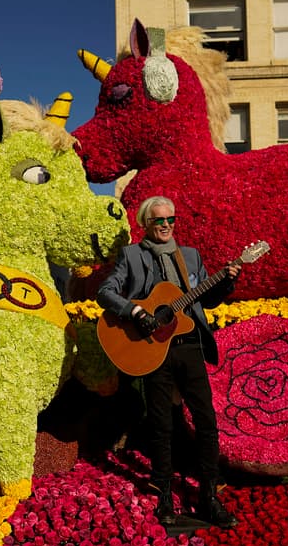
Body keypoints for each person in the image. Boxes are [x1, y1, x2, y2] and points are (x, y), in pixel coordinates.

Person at [98, 196, 241, 528]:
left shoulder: (189, 256)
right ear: (145, 225)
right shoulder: (132, 256)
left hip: (189, 346)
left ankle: (208, 496)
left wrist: (229, 279)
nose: (166, 226)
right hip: (151, 348)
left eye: (171, 220)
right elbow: (106, 291)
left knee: (206, 421)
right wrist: (136, 311)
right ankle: (163, 494)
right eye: (159, 221)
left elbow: (209, 298)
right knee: (161, 424)